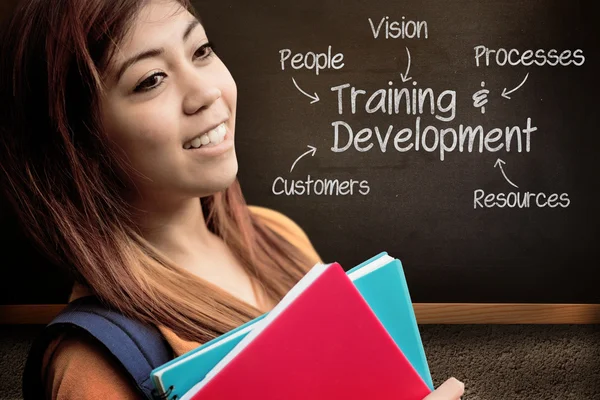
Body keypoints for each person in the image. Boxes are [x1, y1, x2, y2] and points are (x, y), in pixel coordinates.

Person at [0, 0, 465, 398]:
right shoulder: (90, 364)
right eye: (151, 80)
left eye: (201, 50)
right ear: (79, 144)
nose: (205, 91)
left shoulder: (276, 233)